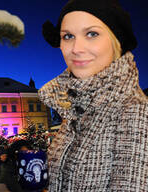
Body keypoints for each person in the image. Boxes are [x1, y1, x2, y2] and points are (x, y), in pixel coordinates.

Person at [40, 0, 148, 191]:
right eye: (68, 36)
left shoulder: (134, 110)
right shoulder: (78, 105)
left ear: (116, 41)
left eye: (92, 34)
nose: (76, 48)